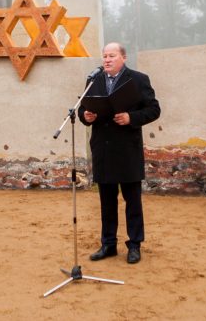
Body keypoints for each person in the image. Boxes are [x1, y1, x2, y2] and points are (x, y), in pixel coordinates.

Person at [79, 42, 160, 264]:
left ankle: (134, 245)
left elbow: (154, 109)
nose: (106, 59)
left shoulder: (139, 79)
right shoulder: (93, 79)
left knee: (132, 200)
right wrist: (86, 116)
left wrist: (131, 118)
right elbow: (81, 108)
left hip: (127, 149)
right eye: (104, 56)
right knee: (106, 201)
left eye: (112, 55)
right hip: (103, 149)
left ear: (123, 57)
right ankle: (108, 244)